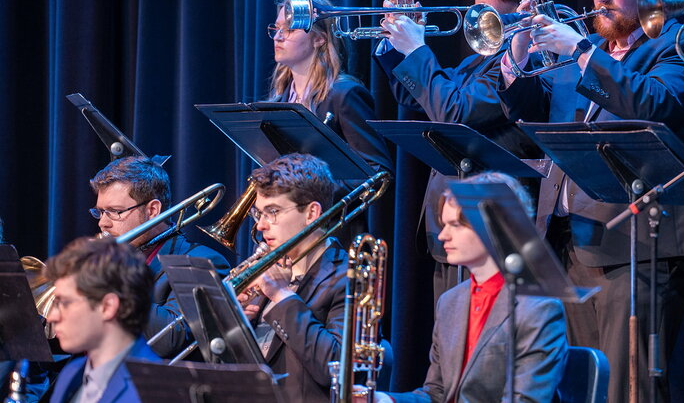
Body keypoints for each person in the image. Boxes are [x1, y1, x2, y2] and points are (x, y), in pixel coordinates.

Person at [498, 0, 684, 403]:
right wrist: (516, 51)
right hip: (569, 240)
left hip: (639, 245)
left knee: (625, 388)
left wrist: (581, 53)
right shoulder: (589, 46)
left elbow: (656, 102)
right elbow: (531, 112)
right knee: (577, 384)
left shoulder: (681, 42)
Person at [373, 0, 550, 300]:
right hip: (457, 224)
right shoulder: (479, 58)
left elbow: (454, 112)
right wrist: (397, 39)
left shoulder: (530, 57)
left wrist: (418, 49)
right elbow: (417, 96)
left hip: (496, 227)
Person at [365, 172, 567, 402]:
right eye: (444, 225)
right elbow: (437, 393)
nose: (442, 236)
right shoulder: (450, 302)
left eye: (455, 225)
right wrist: (386, 400)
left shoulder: (538, 309)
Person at [89, 156, 231, 359]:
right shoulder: (120, 257)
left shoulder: (200, 262)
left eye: (115, 212)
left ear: (152, 210)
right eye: (100, 212)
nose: (103, 223)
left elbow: (170, 339)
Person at [238, 153, 348, 403]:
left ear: (312, 213)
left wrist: (281, 295)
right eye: (259, 214)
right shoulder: (261, 268)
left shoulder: (347, 276)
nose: (260, 226)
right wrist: (237, 322)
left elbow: (336, 369)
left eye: (273, 212)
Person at [268, 0, 393, 176]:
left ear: (319, 39)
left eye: (290, 29)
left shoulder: (344, 95)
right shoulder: (278, 102)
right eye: (277, 28)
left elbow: (377, 170)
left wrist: (314, 192)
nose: (277, 37)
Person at [45, 238, 158, 403]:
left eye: (65, 303)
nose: (52, 317)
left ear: (107, 306)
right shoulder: (72, 372)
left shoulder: (154, 391)